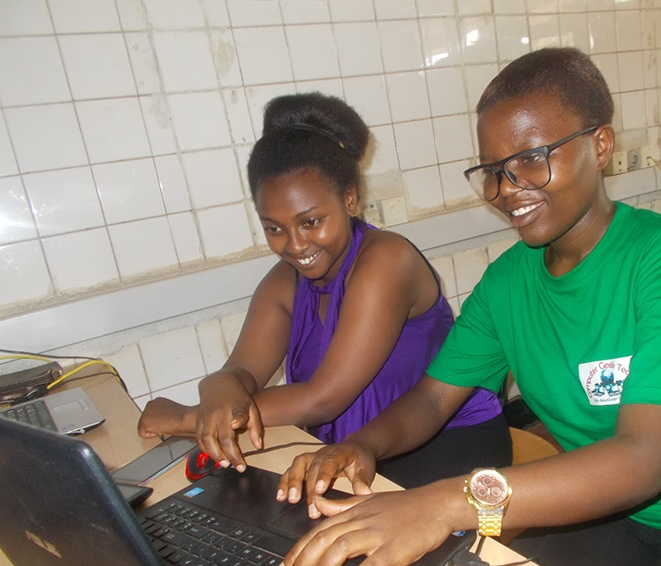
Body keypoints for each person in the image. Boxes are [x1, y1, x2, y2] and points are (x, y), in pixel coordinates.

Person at [271, 49, 661, 566]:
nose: (508, 188)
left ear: (600, 145)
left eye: (532, 158)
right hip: (612, 519)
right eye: (492, 170)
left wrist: (445, 504)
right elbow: (434, 398)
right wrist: (362, 446)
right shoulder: (508, 283)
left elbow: (642, 460)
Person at [137, 92, 511, 490]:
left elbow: (324, 398)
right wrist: (218, 386)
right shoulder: (285, 281)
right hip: (348, 454)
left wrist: (186, 417)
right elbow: (242, 372)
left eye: (311, 221)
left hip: (441, 449)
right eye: (274, 228)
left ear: (349, 199)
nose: (295, 245)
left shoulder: (387, 261)